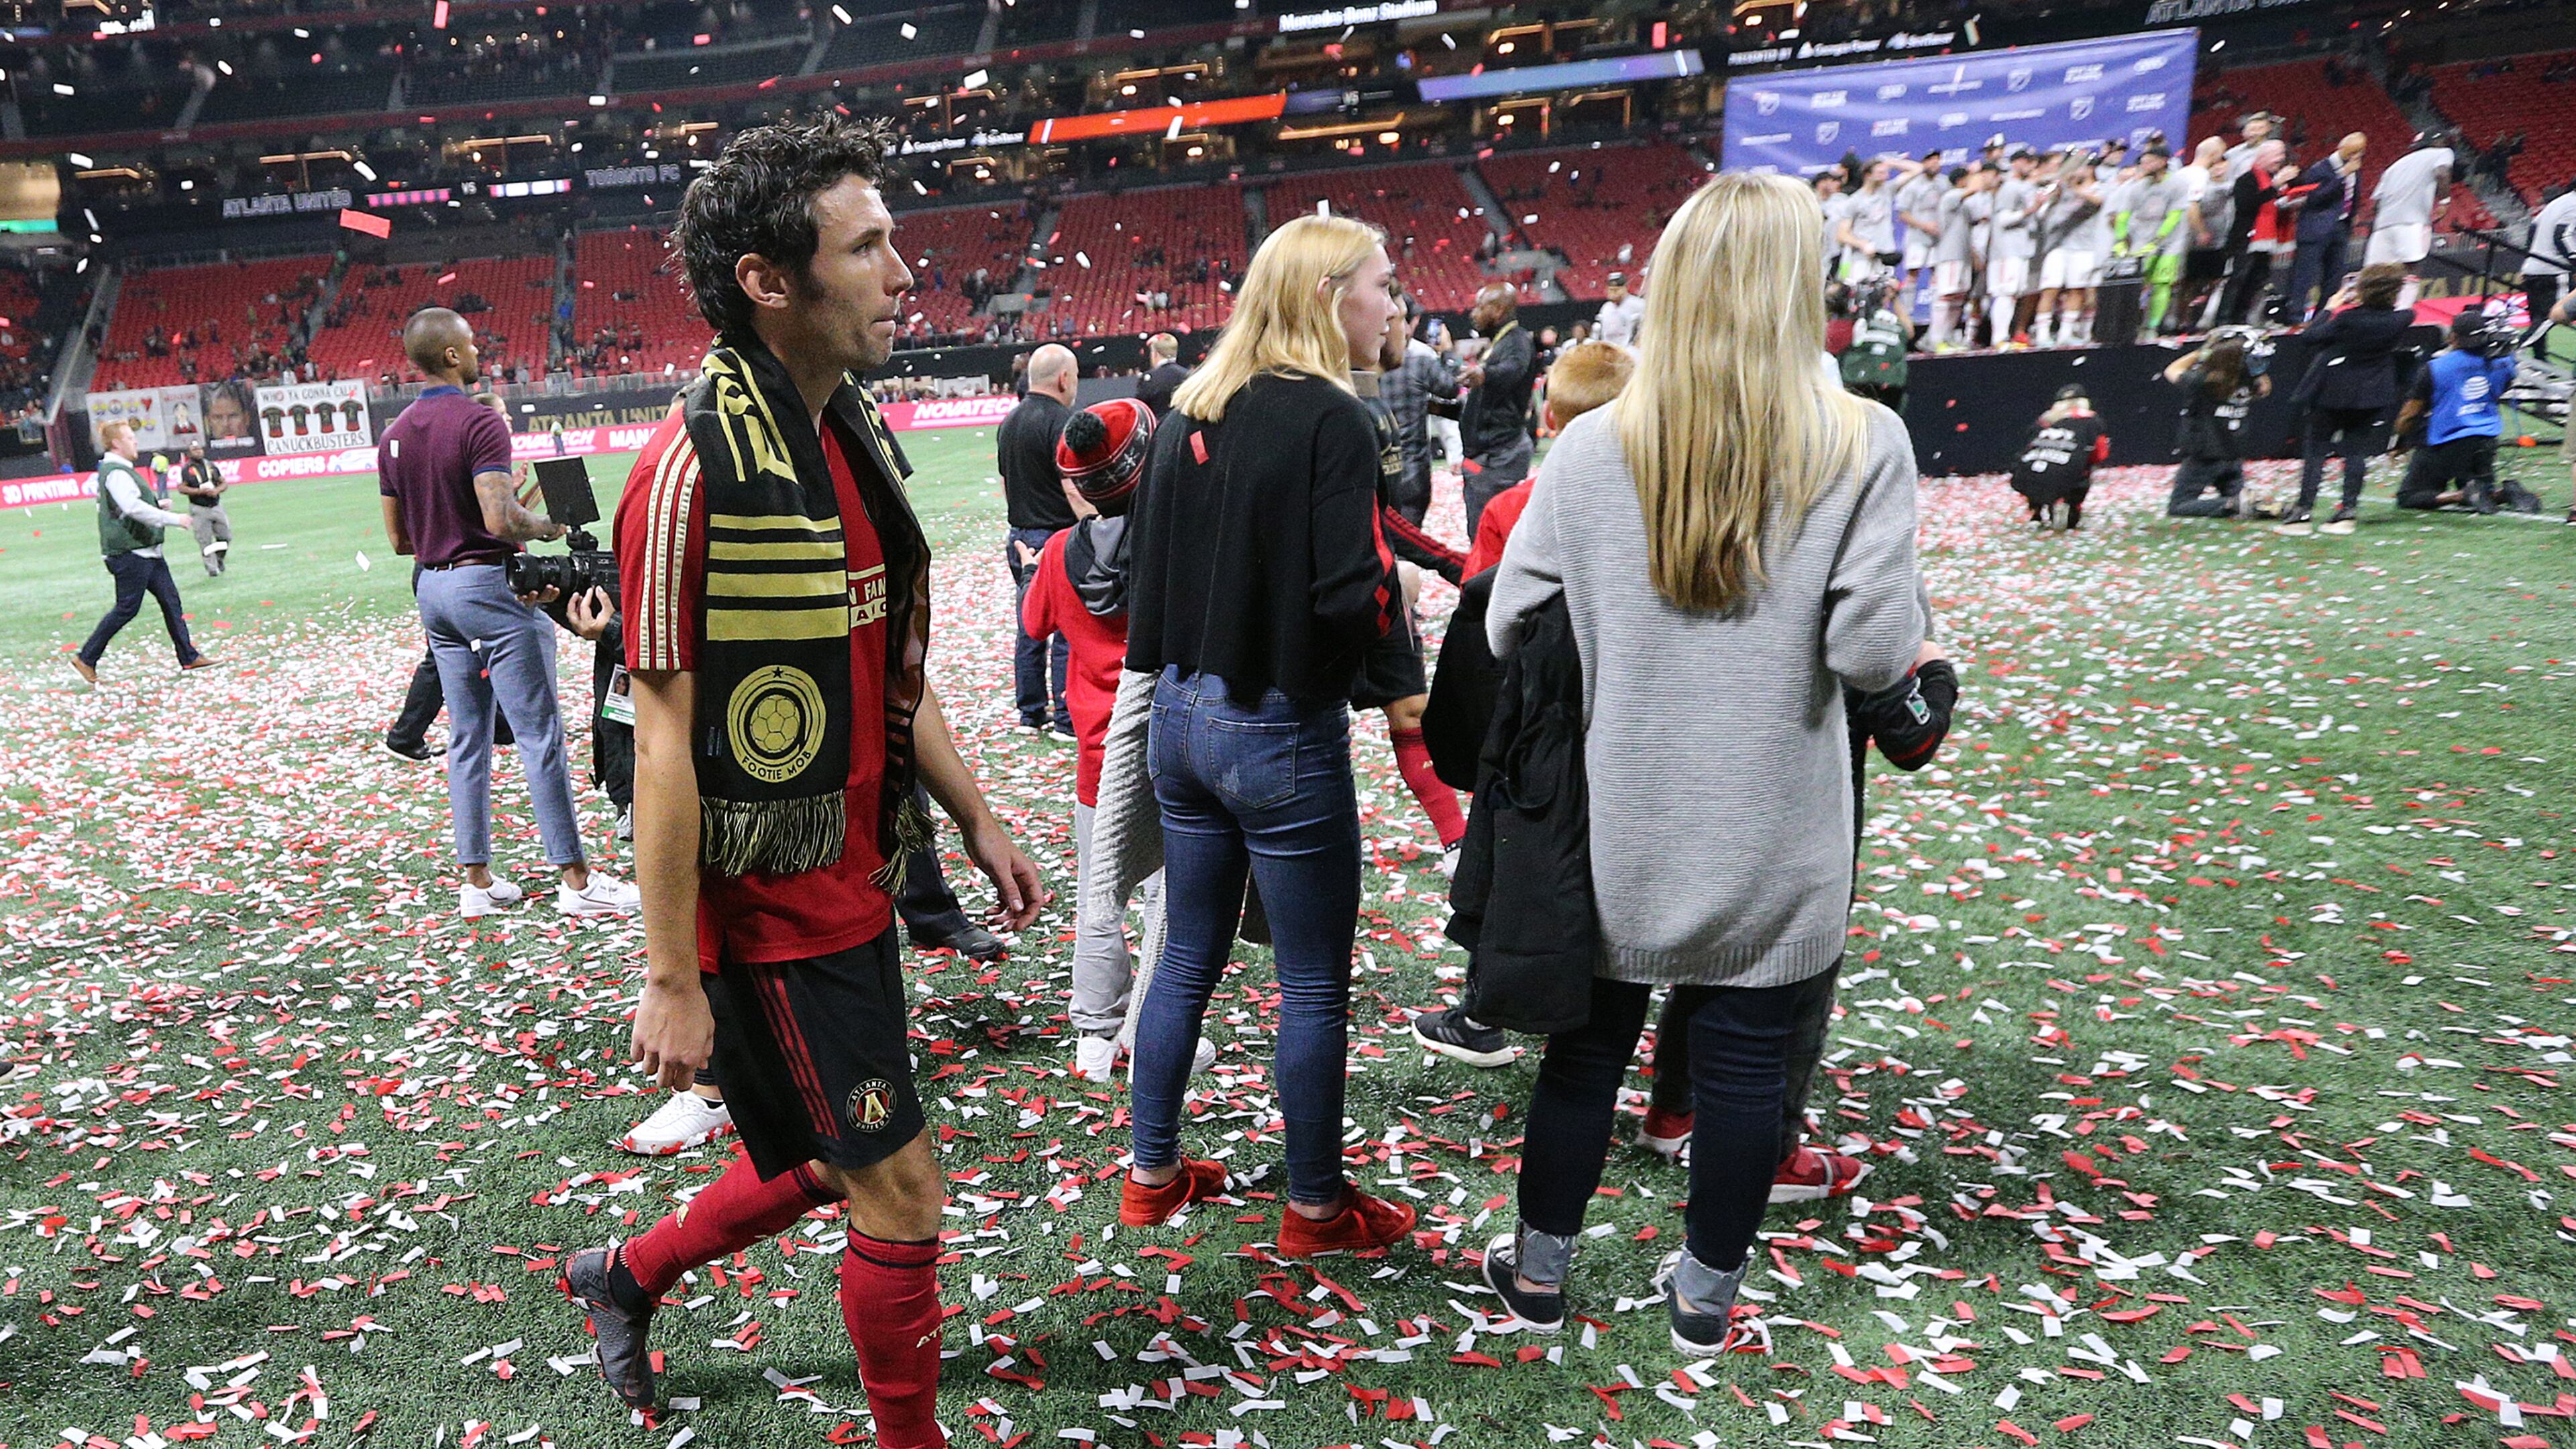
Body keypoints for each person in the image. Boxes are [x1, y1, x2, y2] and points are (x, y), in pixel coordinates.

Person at [565, 115, 1046, 1444]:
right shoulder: (688, 478)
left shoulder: (840, 439)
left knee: (842, 1161)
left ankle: (626, 1271)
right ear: (773, 282)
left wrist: (976, 818)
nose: (907, 275)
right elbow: (663, 742)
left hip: (855, 877)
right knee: (899, 1191)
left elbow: (881, 667)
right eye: (870, 248)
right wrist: (669, 975)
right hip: (770, 912)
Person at [1475, 172, 1922, 1352]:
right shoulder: (1864, 440)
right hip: (1776, 825)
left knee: (1583, 1063)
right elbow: (1872, 650)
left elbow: (1507, 624)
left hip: (1620, 818)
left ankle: (1537, 1274)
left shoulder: (1588, 452)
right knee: (1740, 1070)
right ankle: (1703, 1299)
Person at [1116, 211, 1416, 1257]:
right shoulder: (1330, 417)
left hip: (1181, 717)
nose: (1393, 304)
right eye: (1381, 284)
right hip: (1279, 726)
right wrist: (1394, 597)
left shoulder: (1197, 403)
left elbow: (1147, 583)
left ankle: (1151, 1174)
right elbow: (1346, 599)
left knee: (1187, 952)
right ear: (1331, 295)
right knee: (1312, 980)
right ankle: (1316, 1207)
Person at [1410, 339, 1635, 1069]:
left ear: (1547, 420)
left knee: (1511, 872)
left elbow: (1487, 626)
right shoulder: (1661, 506)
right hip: (1628, 726)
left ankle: (1482, 1011)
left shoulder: (1516, 506)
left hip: (1534, 732)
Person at [378, 309, 637, 920]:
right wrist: (548, 525)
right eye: (469, 344)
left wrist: (459, 533)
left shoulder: (395, 432)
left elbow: (398, 540)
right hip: (486, 588)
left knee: (467, 736)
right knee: (539, 735)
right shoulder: (478, 420)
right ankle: (576, 883)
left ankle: (478, 881)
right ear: (450, 356)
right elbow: (500, 522)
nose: (477, 352)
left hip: (434, 593)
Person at [70, 419, 221, 686]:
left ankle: (188, 656)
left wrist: (156, 504)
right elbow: (131, 508)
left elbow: (127, 506)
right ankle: (86, 658)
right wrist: (172, 518)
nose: (135, 442)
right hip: (131, 552)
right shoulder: (116, 471)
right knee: (127, 608)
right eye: (130, 438)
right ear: (117, 443)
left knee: (171, 602)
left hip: (144, 551)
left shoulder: (117, 469)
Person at [2282, 262, 2418, 535]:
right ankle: (2348, 511)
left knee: (2316, 452)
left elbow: (2310, 337)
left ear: (2363, 289)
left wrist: (2330, 307)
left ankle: (2303, 512)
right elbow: (2406, 303)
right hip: (2371, 394)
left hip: (2332, 390)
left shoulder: (2347, 319)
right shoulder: (2403, 318)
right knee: (2356, 452)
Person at [1000, 343, 1077, 735]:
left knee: (1029, 626)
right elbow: (1072, 486)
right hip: (1058, 536)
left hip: (1020, 536)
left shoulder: (1009, 422)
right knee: (1065, 629)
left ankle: (1031, 713)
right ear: (1064, 378)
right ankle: (1066, 718)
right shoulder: (1064, 422)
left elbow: (1004, 484)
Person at [2393, 311, 2522, 513]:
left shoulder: (2436, 367)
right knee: (2480, 489)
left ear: (2453, 336)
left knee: (2410, 495)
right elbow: (2501, 389)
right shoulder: (2504, 363)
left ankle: (2461, 495)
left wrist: (2401, 441)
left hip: (2447, 439)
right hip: (2486, 439)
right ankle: (2505, 493)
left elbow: (2410, 415)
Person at [1447, 282, 1538, 537]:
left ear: (1498, 310)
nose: (1473, 313)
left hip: (1499, 453)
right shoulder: (1501, 341)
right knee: (1483, 532)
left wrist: (1485, 374)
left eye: (1480, 307)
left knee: (1488, 535)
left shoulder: (1517, 340)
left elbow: (1513, 369)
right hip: (1489, 453)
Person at [2161, 329, 2271, 519]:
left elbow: (2172, 370)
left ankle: (2233, 504)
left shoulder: (2205, 382)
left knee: (2179, 506)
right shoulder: (2251, 382)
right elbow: (2265, 385)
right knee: (2241, 499)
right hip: (2233, 454)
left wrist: (2203, 352)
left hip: (2205, 455)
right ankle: (2248, 504)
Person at [1377, 294, 1455, 524]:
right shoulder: (1421, 362)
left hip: (1377, 471)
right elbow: (1452, 389)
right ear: (1411, 324)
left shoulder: (1366, 364)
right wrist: (1447, 353)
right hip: (1413, 471)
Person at [2282, 133, 2367, 323]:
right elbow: (2315, 198)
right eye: (2354, 151)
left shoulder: (2356, 170)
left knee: (2335, 276)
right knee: (2305, 275)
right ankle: (2295, 316)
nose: (2357, 156)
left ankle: (2322, 315)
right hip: (2315, 228)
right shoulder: (2320, 169)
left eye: (2361, 152)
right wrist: (2342, 175)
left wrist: (2351, 220)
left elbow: (2353, 197)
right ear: (2341, 148)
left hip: (2341, 228)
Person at [2109, 144, 2191, 335]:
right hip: (2141, 240)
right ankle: (2131, 325)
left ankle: (2152, 326)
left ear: (2163, 162)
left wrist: (2158, 240)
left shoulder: (2178, 184)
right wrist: (2121, 240)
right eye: (2143, 162)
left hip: (2170, 242)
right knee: (2136, 283)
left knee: (2162, 282)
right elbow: (2123, 215)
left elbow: (2175, 215)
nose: (2145, 165)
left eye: (2150, 161)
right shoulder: (2137, 188)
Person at [2364, 133, 2454, 298]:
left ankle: (2370, 312)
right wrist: (2444, 202)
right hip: (2412, 222)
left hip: (2383, 226)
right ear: (2437, 142)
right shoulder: (2442, 152)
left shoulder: (2395, 165)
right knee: (2411, 268)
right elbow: (2442, 173)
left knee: (2375, 274)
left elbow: (2376, 204)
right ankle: (2402, 311)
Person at [2010, 383, 2110, 527]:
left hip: (2026, 476)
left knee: (2038, 469)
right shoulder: (2092, 421)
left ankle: (2037, 511)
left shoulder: (2043, 421)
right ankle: (2069, 506)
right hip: (2067, 475)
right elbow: (2100, 454)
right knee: (2076, 471)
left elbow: (2027, 447)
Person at [2031, 153, 2106, 347]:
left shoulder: (2096, 188)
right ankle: (2042, 335)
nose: (2078, 171)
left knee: (2077, 290)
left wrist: (2074, 188)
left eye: (2082, 168)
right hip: (2057, 247)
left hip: (2084, 249)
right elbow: (2041, 213)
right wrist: (2055, 190)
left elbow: (2099, 202)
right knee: (2050, 289)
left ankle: (2066, 333)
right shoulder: (2058, 189)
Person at [2213, 139, 2290, 327]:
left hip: (2267, 240)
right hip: (2246, 238)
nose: (2280, 159)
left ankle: (2241, 319)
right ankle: (2223, 321)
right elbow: (2246, 206)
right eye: (2276, 155)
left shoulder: (2275, 181)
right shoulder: (2246, 179)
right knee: (2238, 280)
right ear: (2263, 157)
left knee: (2256, 281)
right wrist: (2274, 188)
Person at [1988, 148, 2041, 345]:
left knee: (2012, 295)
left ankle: (2003, 338)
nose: (2031, 166)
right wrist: (2030, 210)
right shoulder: (2010, 187)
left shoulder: (2023, 187)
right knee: (2005, 293)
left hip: (2020, 249)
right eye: (2027, 162)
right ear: (2017, 163)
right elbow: (2003, 219)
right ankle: (1999, 338)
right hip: (2006, 250)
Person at [1839, 276, 1913, 411]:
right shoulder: (1895, 320)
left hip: (1859, 378)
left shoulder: (1853, 319)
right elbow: (1910, 333)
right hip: (1891, 380)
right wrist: (1894, 298)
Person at [2520, 182, 2576, 339]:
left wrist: (2528, 261)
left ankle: (2538, 358)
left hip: (2534, 269)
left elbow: (2532, 230)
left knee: (2537, 319)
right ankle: (2515, 349)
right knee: (2551, 317)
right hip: (2555, 270)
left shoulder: (2558, 203)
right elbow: (2563, 235)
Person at [1895, 150, 1946, 308]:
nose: (1935, 163)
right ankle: (1907, 313)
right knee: (1913, 273)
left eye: (1937, 160)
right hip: (1917, 237)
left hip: (1938, 238)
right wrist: (1924, 226)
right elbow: (1903, 214)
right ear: (1924, 163)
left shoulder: (1944, 183)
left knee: (1937, 274)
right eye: (1931, 160)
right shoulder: (1913, 185)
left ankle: (1936, 315)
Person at [173, 443, 231, 576]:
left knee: (225, 536)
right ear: (189, 453)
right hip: (199, 508)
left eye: (199, 449)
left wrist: (217, 490)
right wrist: (199, 491)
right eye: (194, 450)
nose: (198, 452)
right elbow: (181, 488)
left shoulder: (211, 465)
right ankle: (212, 568)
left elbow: (224, 482)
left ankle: (219, 559)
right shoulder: (186, 469)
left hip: (216, 506)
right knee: (204, 540)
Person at [1135, 332, 1187, 418]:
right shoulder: (1188, 375)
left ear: (1155, 353)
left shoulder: (1149, 378)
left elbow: (1141, 410)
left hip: (1159, 428)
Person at [1593, 270, 1645, 350]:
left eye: (1616, 290)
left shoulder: (1638, 305)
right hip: (1610, 352)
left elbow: (1645, 329)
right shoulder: (1606, 308)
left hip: (1631, 351)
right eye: (1611, 290)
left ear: (1625, 288)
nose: (1613, 293)